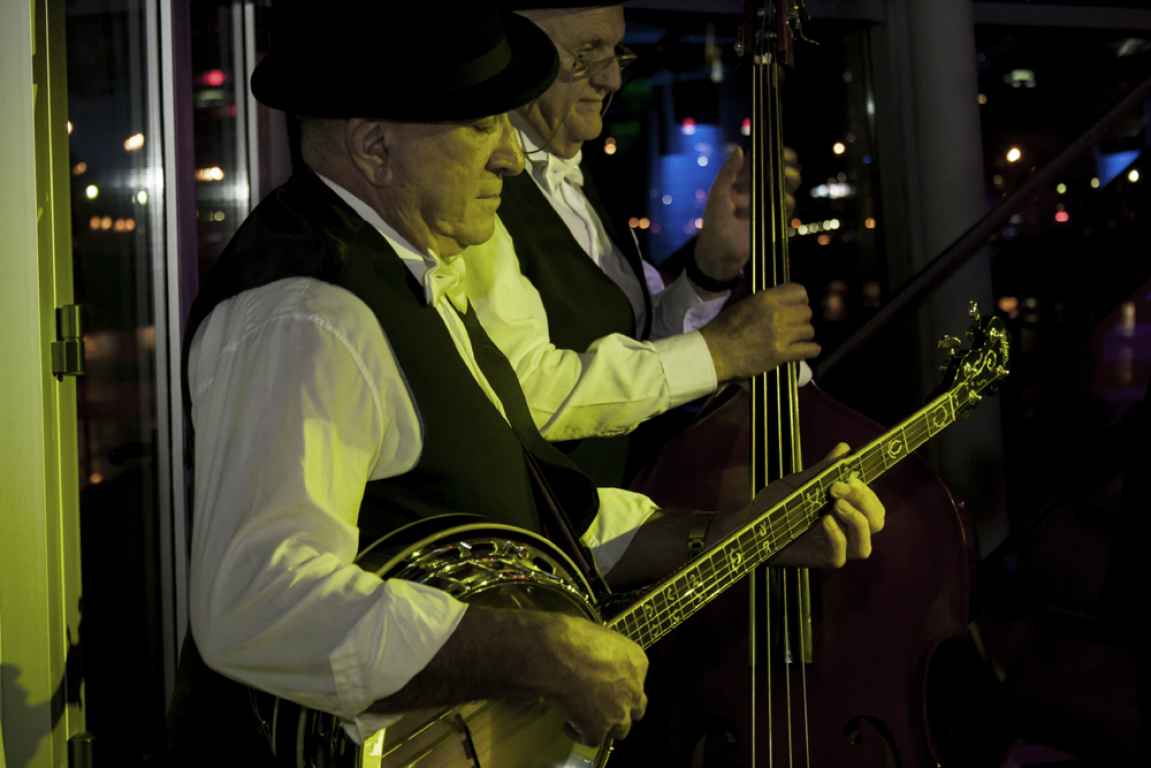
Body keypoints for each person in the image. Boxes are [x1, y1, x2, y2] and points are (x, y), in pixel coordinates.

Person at [169, 6, 884, 765]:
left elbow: (532, 519)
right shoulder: (306, 313)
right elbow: (258, 603)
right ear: (374, 147)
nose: (512, 158)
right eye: (483, 126)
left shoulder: (413, 274)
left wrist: (734, 532)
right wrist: (535, 651)